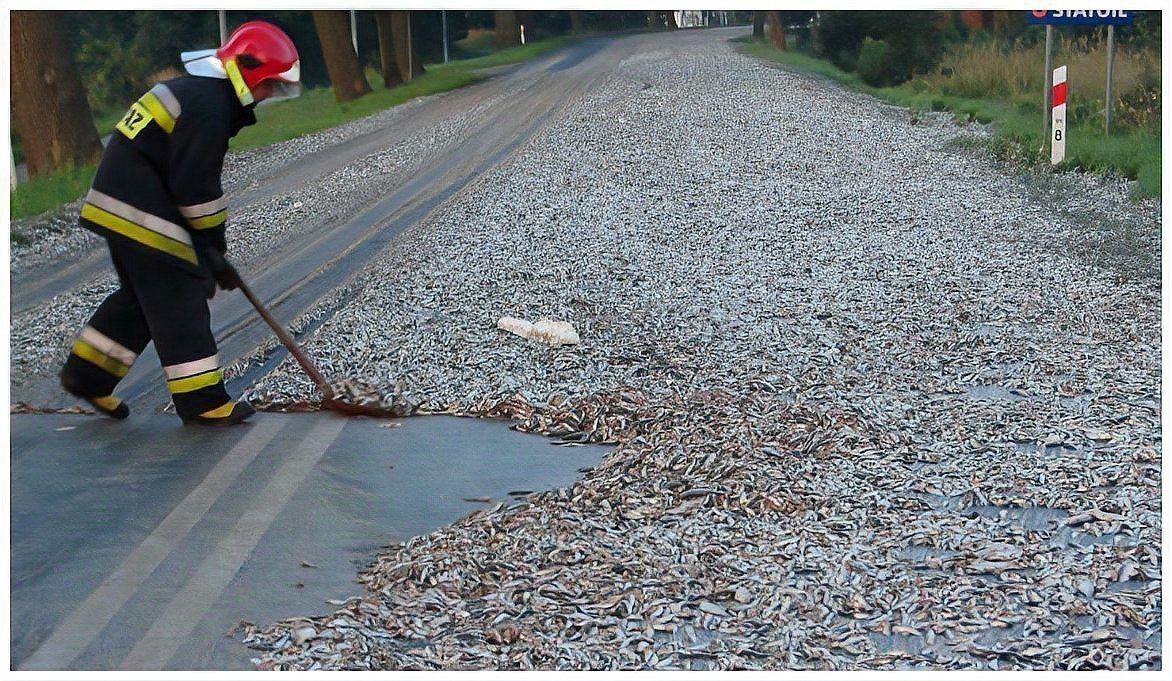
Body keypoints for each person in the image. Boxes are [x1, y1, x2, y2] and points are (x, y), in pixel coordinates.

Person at [59, 20, 301, 426]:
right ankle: (202, 401)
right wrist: (211, 250)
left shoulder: (200, 93)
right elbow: (197, 187)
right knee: (180, 295)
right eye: (268, 84)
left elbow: (181, 178)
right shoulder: (209, 107)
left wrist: (209, 252)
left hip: (119, 202)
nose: (268, 94)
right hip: (140, 207)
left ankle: (87, 376)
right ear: (247, 74)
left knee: (142, 297)